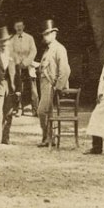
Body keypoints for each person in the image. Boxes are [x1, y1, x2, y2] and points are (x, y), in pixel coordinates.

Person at [36, 19, 70, 147]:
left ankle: (48, 137)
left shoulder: (59, 49)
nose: (45, 37)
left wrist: (58, 87)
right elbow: (47, 66)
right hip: (44, 83)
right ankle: (48, 138)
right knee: (47, 112)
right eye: (44, 34)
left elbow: (65, 70)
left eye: (47, 34)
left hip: (51, 84)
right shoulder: (48, 49)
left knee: (41, 111)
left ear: (54, 34)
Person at [11, 18, 38, 114]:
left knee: (33, 89)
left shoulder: (30, 38)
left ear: (24, 27)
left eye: (20, 26)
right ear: (14, 27)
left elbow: (33, 51)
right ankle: (19, 108)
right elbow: (11, 52)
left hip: (28, 66)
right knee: (18, 87)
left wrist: (26, 62)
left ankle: (35, 109)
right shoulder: (12, 39)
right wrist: (18, 62)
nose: (19, 28)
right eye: (17, 26)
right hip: (17, 66)